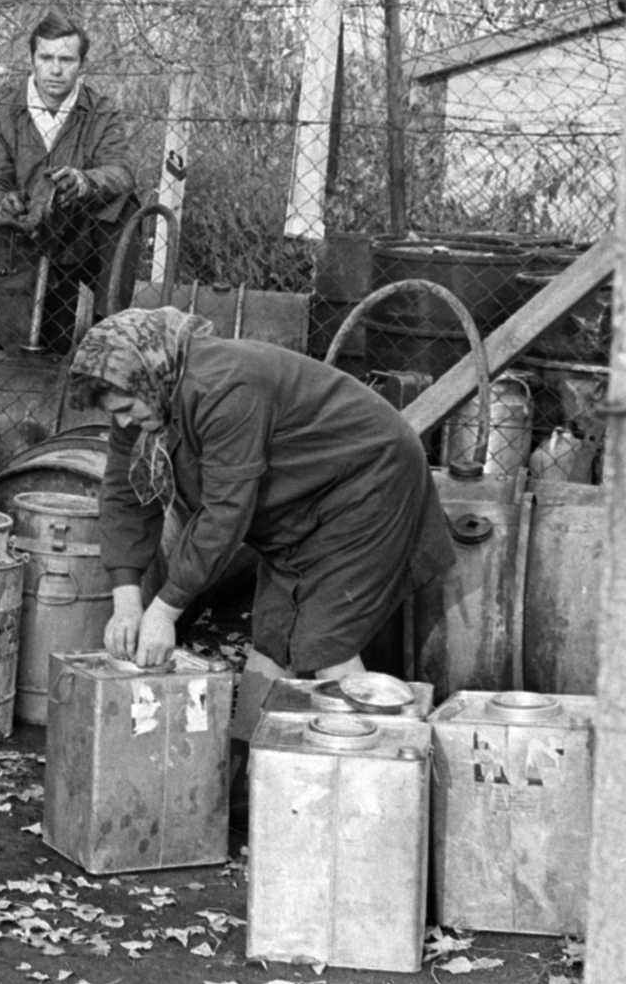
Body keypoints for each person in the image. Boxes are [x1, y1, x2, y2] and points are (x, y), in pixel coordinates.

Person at [66, 307, 455, 734]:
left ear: (147, 377)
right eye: (114, 412)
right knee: (275, 633)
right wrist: (126, 600)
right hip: (300, 501)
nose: (122, 421)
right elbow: (124, 493)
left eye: (125, 408)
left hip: (367, 483)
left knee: (324, 639)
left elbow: (225, 512)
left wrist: (164, 610)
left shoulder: (224, 386)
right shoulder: (145, 391)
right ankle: (239, 773)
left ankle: (377, 772)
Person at [0, 12, 138, 355]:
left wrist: (85, 182)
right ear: (32, 58)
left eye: (66, 59)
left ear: (82, 63)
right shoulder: (2, 118)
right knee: (22, 356)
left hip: (81, 241)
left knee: (127, 209)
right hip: (27, 239)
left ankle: (110, 334)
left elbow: (121, 172)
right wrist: (4, 204)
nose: (55, 69)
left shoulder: (101, 113)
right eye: (46, 58)